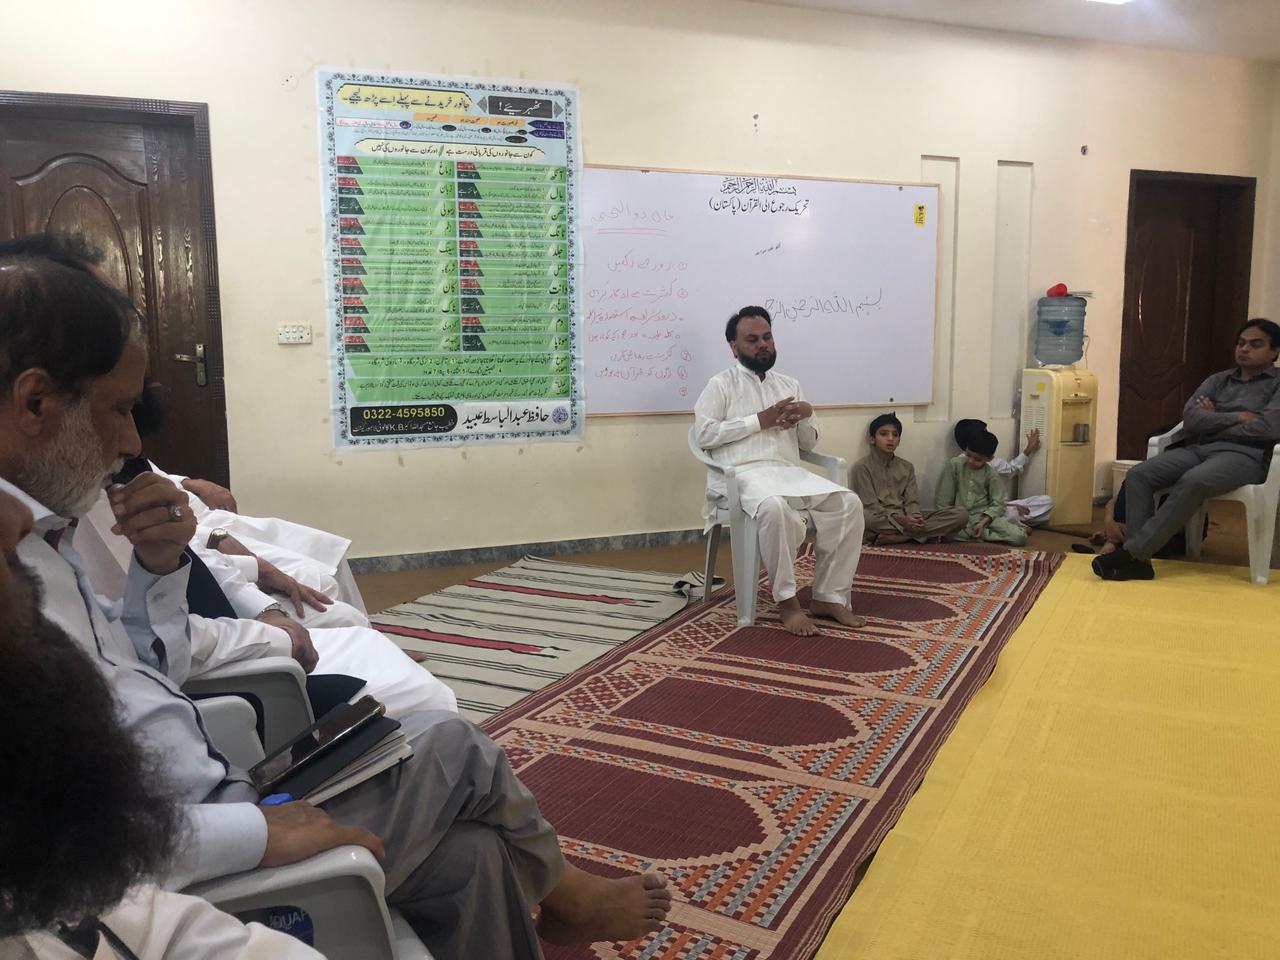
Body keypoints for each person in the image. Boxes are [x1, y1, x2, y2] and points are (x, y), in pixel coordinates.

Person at [0, 245, 671, 960]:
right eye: (119, 409)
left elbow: (145, 672)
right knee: (455, 747)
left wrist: (159, 572)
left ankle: (559, 899)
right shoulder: (12, 572)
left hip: (215, 796)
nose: (132, 441)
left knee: (470, 857)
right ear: (36, 402)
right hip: (181, 863)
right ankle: (566, 896)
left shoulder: (46, 538)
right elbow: (51, 841)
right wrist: (255, 831)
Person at [0, 488, 326, 959]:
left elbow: (152, 665)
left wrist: (159, 570)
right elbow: (64, 859)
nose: (16, 514)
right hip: (189, 839)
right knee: (436, 754)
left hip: (209, 811)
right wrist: (250, 833)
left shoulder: (55, 547)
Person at [693, 305, 866, 637]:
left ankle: (828, 596)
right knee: (774, 507)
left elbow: (808, 443)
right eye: (752, 339)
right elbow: (705, 435)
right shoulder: (720, 385)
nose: (763, 345)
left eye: (767, 337)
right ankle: (787, 602)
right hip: (741, 475)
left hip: (787, 473)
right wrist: (760, 420)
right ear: (733, 346)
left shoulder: (789, 385)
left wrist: (806, 414)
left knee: (848, 504)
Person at [1094, 319, 1280, 581]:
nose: (1245, 349)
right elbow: (1192, 419)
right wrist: (1238, 417)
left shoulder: (1277, 384)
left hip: (1247, 455)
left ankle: (1134, 552)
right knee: (1139, 474)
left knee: (1194, 480)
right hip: (1202, 448)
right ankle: (1140, 561)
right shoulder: (1218, 380)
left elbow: (1269, 428)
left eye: (1255, 344)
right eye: (1241, 343)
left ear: (1274, 352)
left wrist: (1213, 419)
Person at [849, 412, 967, 545]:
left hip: (906, 518)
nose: (890, 439)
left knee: (961, 514)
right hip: (881, 518)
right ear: (872, 439)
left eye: (895, 435)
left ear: (899, 440)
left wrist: (914, 518)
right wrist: (901, 520)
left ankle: (900, 537)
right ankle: (919, 535)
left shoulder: (907, 467)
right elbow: (871, 506)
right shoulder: (862, 467)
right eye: (884, 434)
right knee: (864, 518)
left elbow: (912, 502)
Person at [935, 429, 1030, 546]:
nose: (971, 461)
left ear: (989, 458)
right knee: (940, 531)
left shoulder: (990, 474)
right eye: (968, 455)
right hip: (958, 517)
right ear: (965, 449)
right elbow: (943, 499)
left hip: (983, 516)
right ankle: (981, 534)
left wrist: (983, 522)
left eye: (978, 459)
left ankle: (976, 533)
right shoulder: (954, 465)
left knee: (1019, 537)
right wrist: (947, 519)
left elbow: (999, 502)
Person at [954, 420, 1052, 526]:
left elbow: (1010, 470)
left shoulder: (989, 461)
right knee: (1013, 513)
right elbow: (969, 503)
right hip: (975, 513)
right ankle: (1008, 524)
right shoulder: (958, 465)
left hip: (996, 507)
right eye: (984, 433)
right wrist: (1008, 507)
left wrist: (1029, 449)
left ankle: (1009, 522)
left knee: (1045, 501)